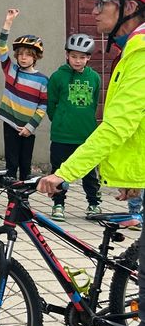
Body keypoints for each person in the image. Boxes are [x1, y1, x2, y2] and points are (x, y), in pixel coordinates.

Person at [37, 0, 145, 326]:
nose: (95, 10)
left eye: (104, 2)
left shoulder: (141, 53)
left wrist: (66, 173)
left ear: (130, 8)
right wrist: (131, 179)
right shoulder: (129, 51)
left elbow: (116, 126)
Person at [46, 33, 102, 222]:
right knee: (59, 171)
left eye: (82, 57)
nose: (78, 61)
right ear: (67, 55)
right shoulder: (57, 77)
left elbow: (94, 103)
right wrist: (61, 121)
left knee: (90, 173)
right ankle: (58, 204)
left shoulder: (94, 78)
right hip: (62, 135)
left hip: (86, 135)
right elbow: (51, 104)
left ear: (88, 58)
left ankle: (94, 203)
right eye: (74, 56)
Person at [0, 9, 48, 180]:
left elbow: (42, 106)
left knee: (25, 167)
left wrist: (30, 127)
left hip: (28, 128)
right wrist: (8, 23)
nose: (24, 58)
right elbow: (1, 47)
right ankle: (12, 203)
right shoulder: (10, 69)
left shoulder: (42, 80)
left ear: (36, 57)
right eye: (21, 54)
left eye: (28, 55)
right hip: (10, 124)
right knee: (11, 166)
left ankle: (23, 204)